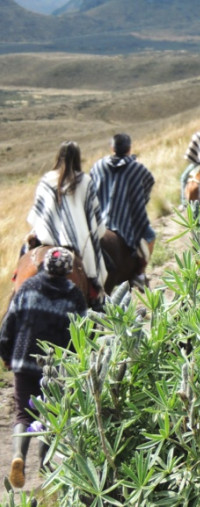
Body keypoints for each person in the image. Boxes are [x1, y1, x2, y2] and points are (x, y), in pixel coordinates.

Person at [0, 247, 88, 488]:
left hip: (23, 361)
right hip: (56, 367)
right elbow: (84, 332)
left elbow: (9, 323)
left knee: (22, 413)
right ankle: (44, 465)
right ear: (68, 271)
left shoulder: (27, 287)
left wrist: (6, 354)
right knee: (52, 415)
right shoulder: (75, 295)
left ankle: (18, 455)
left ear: (44, 265)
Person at [26, 141, 106, 293]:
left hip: (46, 237)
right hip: (78, 241)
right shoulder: (85, 181)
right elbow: (95, 218)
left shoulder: (46, 180)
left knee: (25, 254)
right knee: (93, 271)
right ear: (77, 158)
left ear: (58, 157)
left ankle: (15, 290)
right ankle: (95, 297)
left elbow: (36, 215)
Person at [89, 133, 156, 278]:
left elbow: (90, 189)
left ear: (112, 148)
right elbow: (149, 181)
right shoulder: (136, 168)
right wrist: (139, 202)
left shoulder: (98, 166)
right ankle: (140, 272)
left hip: (99, 220)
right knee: (151, 235)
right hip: (126, 222)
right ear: (129, 148)